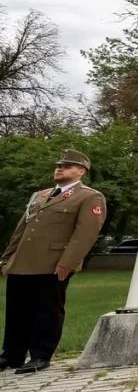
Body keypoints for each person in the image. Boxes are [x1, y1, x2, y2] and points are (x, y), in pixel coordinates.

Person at [1, 150, 106, 374]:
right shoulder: (40, 195)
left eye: (67, 166)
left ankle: (40, 355)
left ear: (81, 171)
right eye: (59, 165)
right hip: (22, 262)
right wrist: (7, 257)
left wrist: (68, 263)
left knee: (47, 310)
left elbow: (85, 233)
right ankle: (12, 354)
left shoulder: (89, 196)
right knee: (17, 310)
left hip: (53, 263)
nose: (60, 168)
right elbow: (23, 229)